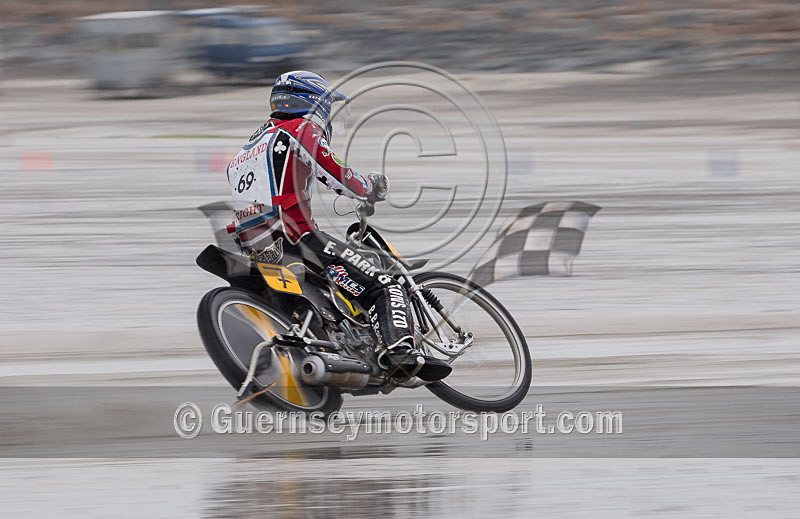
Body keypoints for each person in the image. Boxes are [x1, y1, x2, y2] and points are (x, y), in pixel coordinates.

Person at [225, 71, 450, 381]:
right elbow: (338, 174)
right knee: (383, 284)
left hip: (252, 246)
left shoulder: (244, 152)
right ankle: (399, 352)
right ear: (310, 102)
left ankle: (331, 349)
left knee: (332, 288)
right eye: (326, 108)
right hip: (296, 236)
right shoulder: (298, 130)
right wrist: (371, 186)